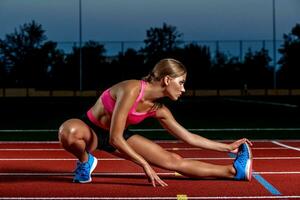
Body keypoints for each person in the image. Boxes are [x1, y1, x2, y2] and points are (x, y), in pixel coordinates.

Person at [58, 58, 253, 187]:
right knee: (68, 131)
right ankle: (85, 160)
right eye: (181, 82)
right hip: (91, 130)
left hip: (116, 136)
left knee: (172, 161)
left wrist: (227, 147)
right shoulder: (132, 89)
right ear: (167, 80)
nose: (184, 89)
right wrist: (144, 164)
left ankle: (233, 171)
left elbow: (188, 137)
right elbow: (115, 138)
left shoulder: (159, 110)